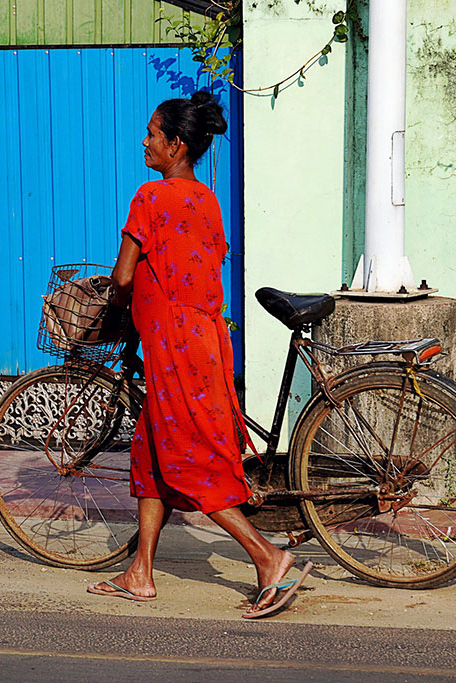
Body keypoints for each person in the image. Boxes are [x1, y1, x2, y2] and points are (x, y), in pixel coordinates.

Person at [87, 90, 312, 619]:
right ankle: (140, 572)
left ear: (176, 145)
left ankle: (267, 557)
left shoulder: (150, 197)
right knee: (150, 453)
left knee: (190, 460)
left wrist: (114, 300)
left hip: (170, 345)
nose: (145, 141)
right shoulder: (207, 200)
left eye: (152, 134)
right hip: (206, 338)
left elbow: (122, 275)